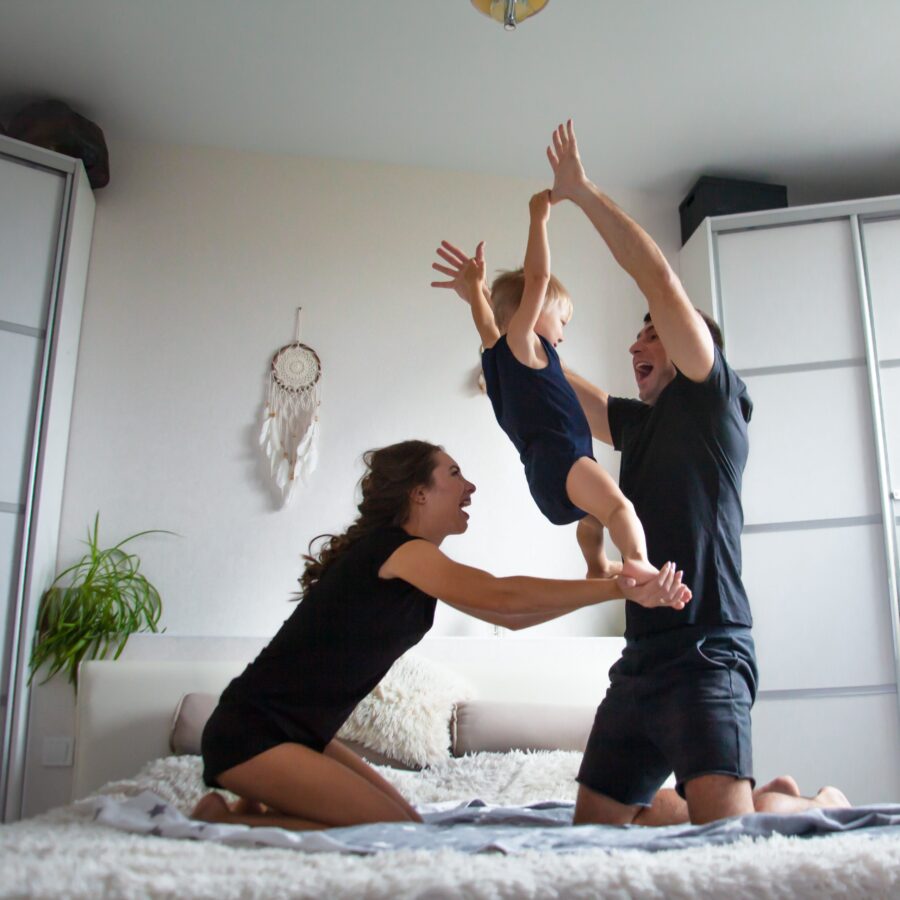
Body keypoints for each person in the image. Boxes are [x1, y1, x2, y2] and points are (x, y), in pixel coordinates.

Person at [191, 439, 691, 832]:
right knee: (393, 832)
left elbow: (509, 615)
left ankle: (248, 808)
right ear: (418, 492)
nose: (469, 486)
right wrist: (618, 588)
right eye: (454, 474)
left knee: (406, 822)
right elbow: (503, 597)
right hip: (254, 732)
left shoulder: (409, 561)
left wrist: (616, 591)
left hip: (299, 733)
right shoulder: (399, 551)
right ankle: (223, 823)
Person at [431, 190, 656, 585]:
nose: (563, 335)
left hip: (543, 476)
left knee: (593, 516)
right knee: (619, 508)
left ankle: (597, 566)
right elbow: (537, 279)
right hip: (566, 456)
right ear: (531, 313)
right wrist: (539, 219)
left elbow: (486, 323)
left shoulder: (497, 357)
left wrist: (476, 289)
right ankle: (639, 563)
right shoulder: (525, 344)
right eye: (562, 321)